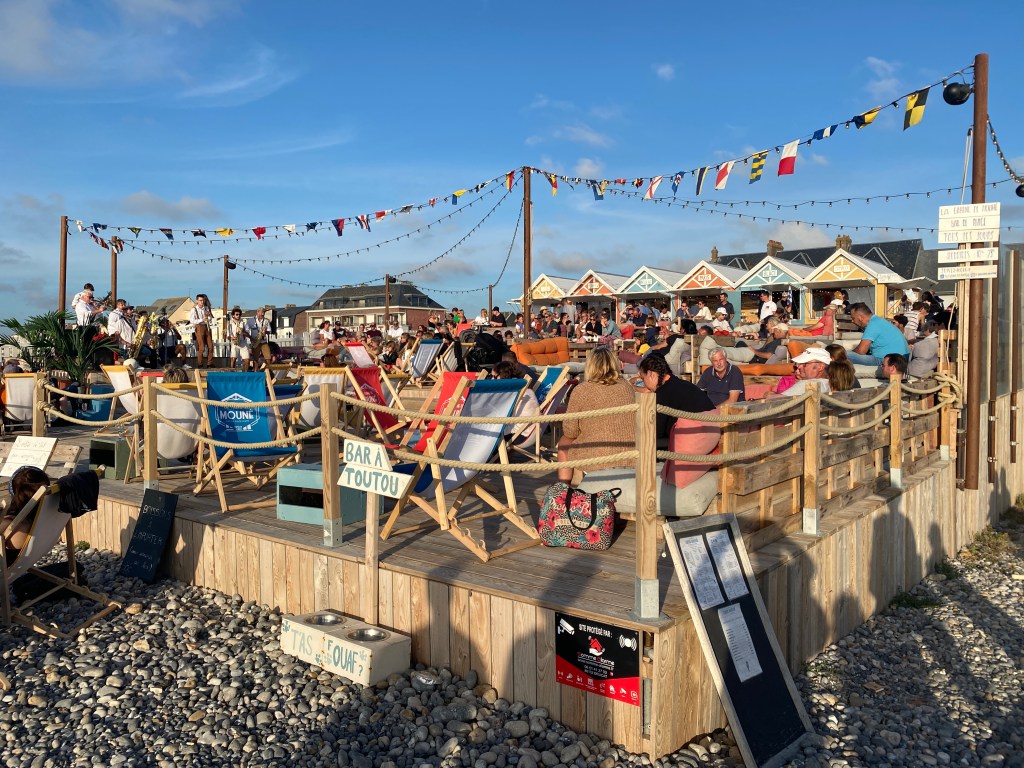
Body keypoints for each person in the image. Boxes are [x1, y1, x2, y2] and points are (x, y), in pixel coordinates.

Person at [557, 347, 636, 484]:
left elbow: (570, 431)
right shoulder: (627, 387)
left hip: (597, 456)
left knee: (564, 442)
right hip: (630, 454)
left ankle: (564, 489)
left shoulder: (582, 390)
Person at [638, 353, 715, 442]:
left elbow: (657, 432)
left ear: (651, 374)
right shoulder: (682, 384)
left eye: (643, 379)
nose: (644, 384)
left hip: (695, 441)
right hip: (713, 434)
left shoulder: (663, 393)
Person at [846, 303, 909, 367]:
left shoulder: (872, 324)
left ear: (860, 317)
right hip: (901, 359)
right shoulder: (878, 321)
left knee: (843, 355)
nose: (852, 321)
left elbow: (861, 351)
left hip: (890, 361)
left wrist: (852, 352)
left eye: (853, 318)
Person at [492, 360, 539, 440]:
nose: (492, 379)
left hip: (520, 434)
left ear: (503, 375)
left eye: (495, 377)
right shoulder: (522, 385)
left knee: (487, 432)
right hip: (533, 432)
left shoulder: (512, 391)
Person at [767, 347, 831, 398]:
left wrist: (768, 395)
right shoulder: (828, 383)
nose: (799, 367)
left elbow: (775, 400)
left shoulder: (806, 384)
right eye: (799, 364)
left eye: (805, 364)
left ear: (820, 367)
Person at [189, 294, 214, 368]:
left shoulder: (206, 308)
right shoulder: (194, 309)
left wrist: (208, 316)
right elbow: (192, 320)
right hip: (199, 326)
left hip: (206, 326)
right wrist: (201, 319)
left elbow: (210, 318)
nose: (202, 302)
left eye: (203, 300)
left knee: (211, 346)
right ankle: (200, 364)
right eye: (200, 300)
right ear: (197, 301)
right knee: (202, 347)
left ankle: (209, 363)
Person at [245, 307, 274, 371]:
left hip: (263, 341)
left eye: (264, 313)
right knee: (255, 358)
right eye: (261, 312)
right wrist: (251, 338)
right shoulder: (251, 320)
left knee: (268, 357)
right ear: (257, 312)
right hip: (255, 341)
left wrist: (265, 332)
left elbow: (269, 331)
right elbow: (246, 330)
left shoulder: (266, 321)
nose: (263, 314)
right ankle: (255, 371)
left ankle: (268, 371)